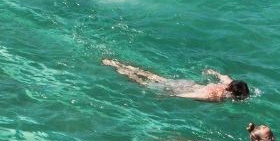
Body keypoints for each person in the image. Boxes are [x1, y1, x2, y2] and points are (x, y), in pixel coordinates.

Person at [100, 59, 251, 102]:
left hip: (187, 83)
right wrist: (171, 96)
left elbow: (223, 76)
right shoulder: (215, 96)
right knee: (143, 83)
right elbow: (194, 96)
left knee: (155, 77)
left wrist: (211, 72)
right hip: (183, 89)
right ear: (233, 94)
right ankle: (116, 67)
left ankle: (115, 62)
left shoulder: (226, 84)